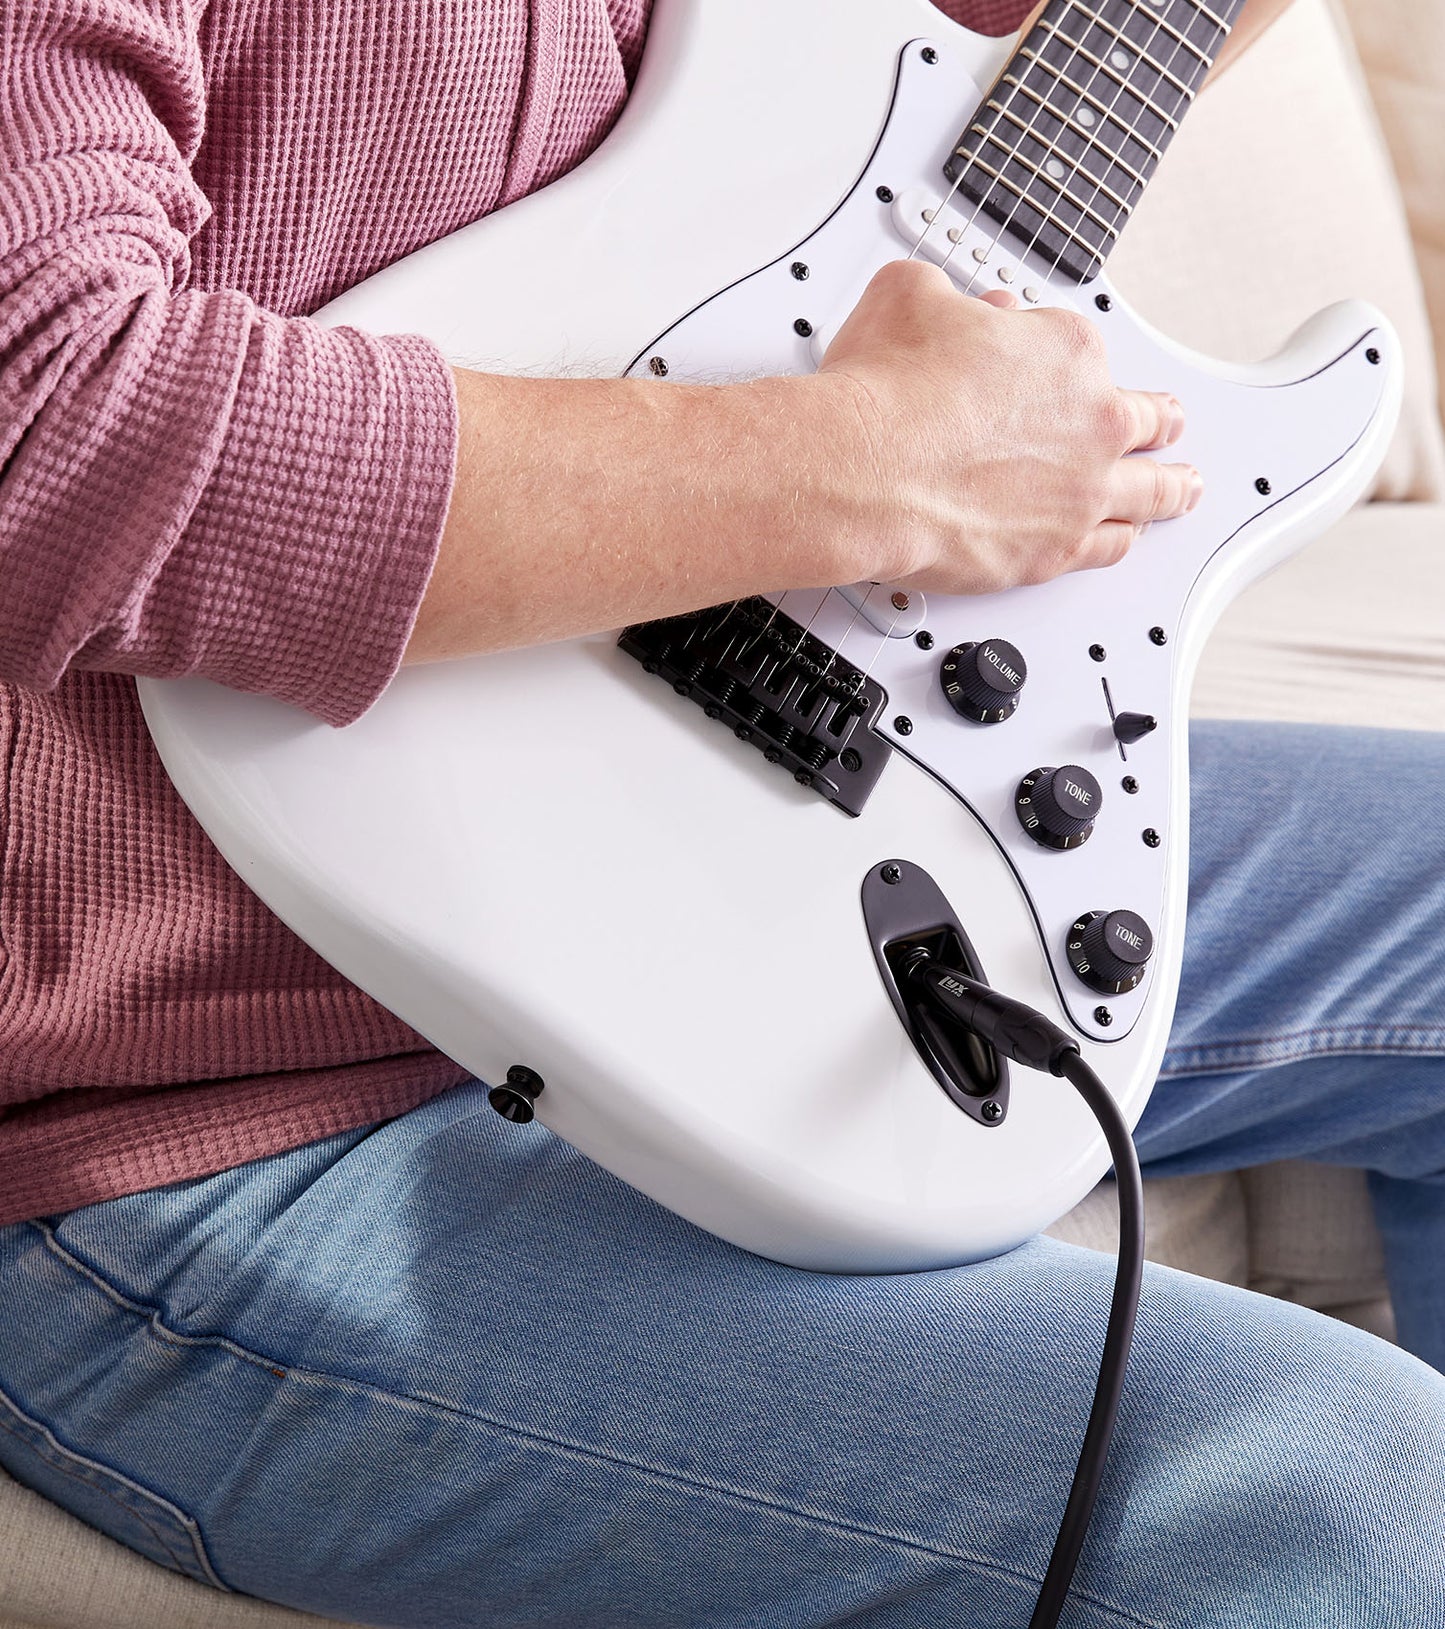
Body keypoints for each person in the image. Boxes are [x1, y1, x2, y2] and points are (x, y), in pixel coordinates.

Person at [1, 1, 1444, 1625]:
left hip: (774, 785)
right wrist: (872, 456)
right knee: (1337, 1491)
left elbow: (980, 51)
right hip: (218, 1106)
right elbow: (51, 420)